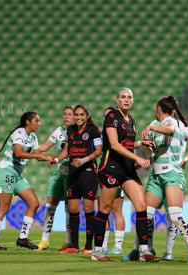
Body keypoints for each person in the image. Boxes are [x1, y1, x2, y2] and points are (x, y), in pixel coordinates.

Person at [123, 95, 188, 264]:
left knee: (176, 216)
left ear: (158, 109)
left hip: (172, 175)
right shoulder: (155, 125)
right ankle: (142, 248)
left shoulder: (175, 124)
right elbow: (154, 150)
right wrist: (148, 152)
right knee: (144, 214)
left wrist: (186, 159)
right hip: (155, 176)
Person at [91, 87, 159, 262]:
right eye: (123, 97)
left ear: (133, 101)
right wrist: (137, 157)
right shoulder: (111, 117)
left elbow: (126, 143)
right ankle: (97, 251)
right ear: (117, 100)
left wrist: (139, 143)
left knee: (141, 205)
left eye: (129, 97)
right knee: (105, 209)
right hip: (111, 167)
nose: (127, 100)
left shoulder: (131, 121)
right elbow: (114, 144)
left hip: (127, 169)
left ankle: (144, 251)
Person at [0, 111, 53, 250]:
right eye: (37, 121)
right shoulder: (19, 133)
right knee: (4, 207)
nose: (40, 124)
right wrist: (42, 157)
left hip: (17, 174)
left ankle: (22, 238)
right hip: (6, 171)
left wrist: (55, 157)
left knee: (34, 203)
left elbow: (38, 155)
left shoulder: (33, 137)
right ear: (28, 122)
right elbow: (19, 153)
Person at [49, 104, 102, 254]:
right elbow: (66, 150)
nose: (78, 117)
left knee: (88, 209)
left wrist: (83, 160)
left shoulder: (93, 130)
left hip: (88, 172)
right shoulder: (70, 130)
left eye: (81, 115)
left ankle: (88, 247)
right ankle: (74, 245)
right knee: (73, 209)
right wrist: (56, 159)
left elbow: (98, 151)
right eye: (76, 115)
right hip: (73, 174)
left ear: (86, 116)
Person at [35, 106, 75, 251]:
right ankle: (44, 240)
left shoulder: (79, 133)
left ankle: (70, 241)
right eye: (64, 114)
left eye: (69, 114)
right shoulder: (59, 132)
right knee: (50, 205)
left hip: (73, 174)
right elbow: (44, 147)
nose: (66, 117)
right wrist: (28, 147)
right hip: (60, 174)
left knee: (70, 209)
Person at [99, 106, 126, 255]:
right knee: (104, 210)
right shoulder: (102, 134)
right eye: (105, 116)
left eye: (109, 115)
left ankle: (118, 246)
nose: (106, 118)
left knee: (117, 211)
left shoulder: (119, 133)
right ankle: (103, 245)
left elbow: (126, 149)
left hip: (117, 173)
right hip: (103, 173)